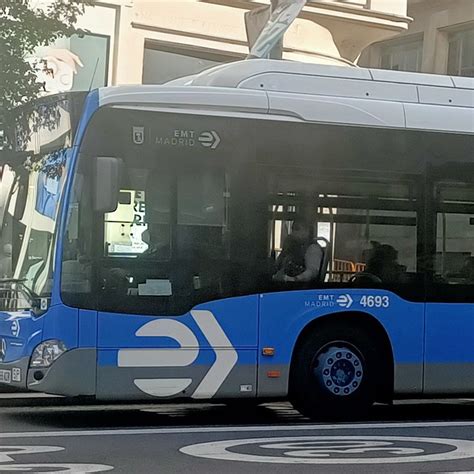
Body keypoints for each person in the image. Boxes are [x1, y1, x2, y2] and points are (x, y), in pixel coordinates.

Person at [272, 217, 323, 283]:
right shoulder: (293, 247)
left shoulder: (313, 248)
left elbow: (312, 271)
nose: (293, 232)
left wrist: (294, 279)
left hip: (301, 287)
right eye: (293, 229)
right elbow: (279, 265)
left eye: (297, 229)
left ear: (307, 231)